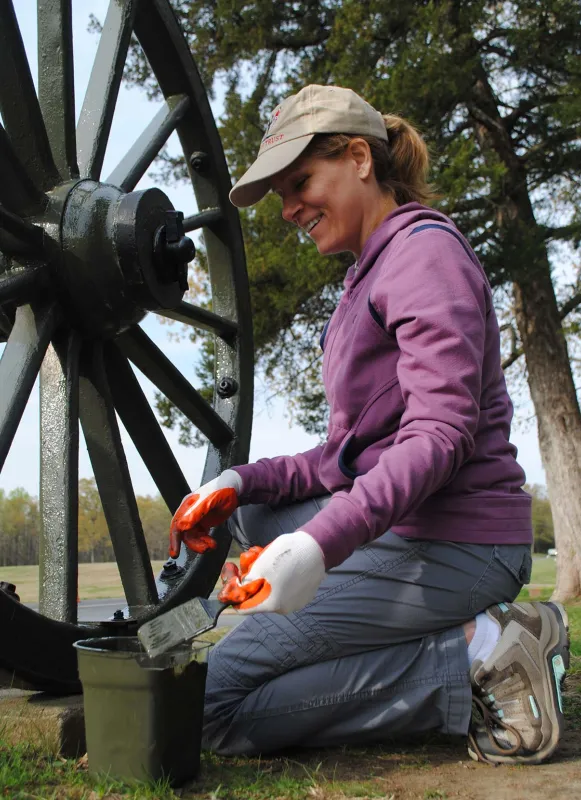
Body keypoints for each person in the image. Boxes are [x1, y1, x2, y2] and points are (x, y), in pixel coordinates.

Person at [168, 85, 569, 764]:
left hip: (456, 545)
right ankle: (441, 639)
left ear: (358, 157)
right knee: (250, 519)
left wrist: (320, 546)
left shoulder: (421, 255)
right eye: (282, 196)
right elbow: (339, 459)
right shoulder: (367, 277)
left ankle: (476, 657)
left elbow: (439, 435)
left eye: (300, 183)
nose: (290, 209)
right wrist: (240, 481)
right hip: (416, 531)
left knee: (210, 709)